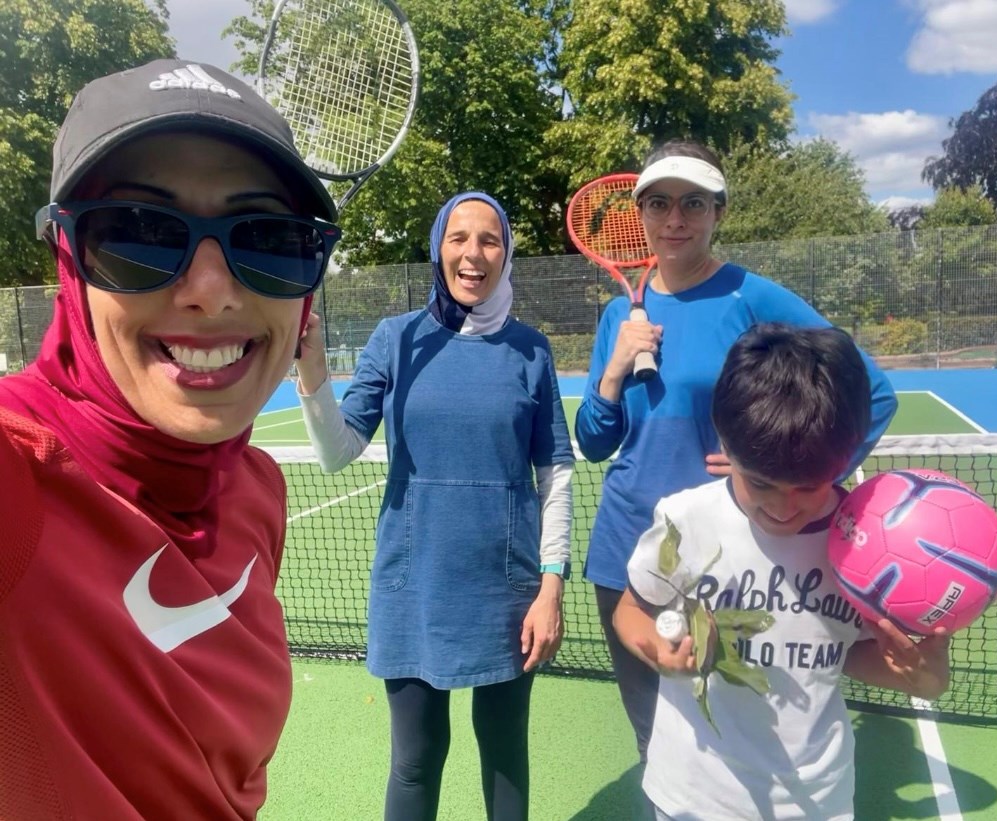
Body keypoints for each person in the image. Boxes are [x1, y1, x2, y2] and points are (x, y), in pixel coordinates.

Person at [0, 59, 340, 818]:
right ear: (66, 260)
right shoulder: (18, 472)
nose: (210, 291)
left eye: (268, 237)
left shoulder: (257, 488)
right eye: (138, 232)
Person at [575, 139, 899, 765]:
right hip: (624, 547)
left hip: (725, 551)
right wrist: (614, 370)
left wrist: (795, 473)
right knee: (654, 738)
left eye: (694, 204)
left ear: (718, 212)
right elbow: (594, 441)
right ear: (640, 214)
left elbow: (874, 394)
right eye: (660, 204)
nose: (675, 220)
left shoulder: (753, 297)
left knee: (744, 736)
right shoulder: (619, 312)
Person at [295, 191, 574, 821]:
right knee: (417, 759)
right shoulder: (395, 339)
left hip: (508, 591)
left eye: (490, 240)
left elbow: (554, 474)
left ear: (506, 254)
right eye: (459, 238)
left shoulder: (532, 351)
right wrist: (312, 372)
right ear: (437, 248)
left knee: (505, 752)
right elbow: (337, 452)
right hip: (412, 587)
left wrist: (551, 586)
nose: (474, 254)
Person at [615, 323, 951, 820]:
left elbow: (843, 653)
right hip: (690, 793)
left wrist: (923, 677)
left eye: (809, 487)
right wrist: (658, 651)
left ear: (846, 458)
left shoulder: (867, 544)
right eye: (761, 484)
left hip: (814, 799)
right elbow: (631, 610)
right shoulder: (685, 521)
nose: (782, 508)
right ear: (726, 445)